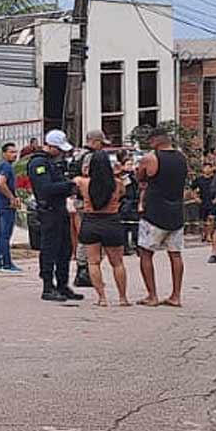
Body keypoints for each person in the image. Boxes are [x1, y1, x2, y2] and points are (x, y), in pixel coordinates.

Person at [28, 129, 84, 302]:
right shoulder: (39, 163)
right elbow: (45, 189)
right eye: (58, 149)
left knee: (64, 248)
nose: (60, 153)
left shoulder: (53, 162)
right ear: (50, 146)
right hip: (49, 211)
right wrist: (69, 185)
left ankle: (62, 284)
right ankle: (47, 286)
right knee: (49, 249)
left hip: (60, 210)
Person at [136, 128, 189, 307]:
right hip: (176, 211)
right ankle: (176, 295)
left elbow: (141, 176)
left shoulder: (151, 158)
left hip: (154, 212)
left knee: (146, 252)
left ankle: (152, 295)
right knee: (175, 254)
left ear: (156, 140)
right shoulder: (182, 158)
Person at [74, 148, 129, 307]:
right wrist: (117, 173)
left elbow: (74, 181)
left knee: (93, 262)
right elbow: (124, 193)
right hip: (111, 221)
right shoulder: (117, 184)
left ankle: (102, 298)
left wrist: (84, 173)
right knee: (117, 263)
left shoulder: (83, 183)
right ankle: (122, 297)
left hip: (91, 221)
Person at [74, 130, 111, 287]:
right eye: (101, 143)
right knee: (90, 237)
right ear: (95, 141)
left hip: (81, 199)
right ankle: (85, 271)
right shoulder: (90, 156)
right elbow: (89, 175)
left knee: (86, 234)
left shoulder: (78, 154)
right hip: (89, 200)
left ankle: (84, 269)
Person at [0, 142, 23, 273]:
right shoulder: (6, 166)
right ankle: (6, 263)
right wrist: (12, 198)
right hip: (5, 205)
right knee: (5, 235)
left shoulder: (4, 166)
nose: (14, 155)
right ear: (4, 154)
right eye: (11, 152)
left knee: (0, 234)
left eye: (15, 152)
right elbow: (1, 183)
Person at [116, 151, 141, 256]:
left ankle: (137, 245)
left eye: (132, 164)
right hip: (126, 203)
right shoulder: (123, 177)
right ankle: (125, 247)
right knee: (124, 227)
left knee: (135, 227)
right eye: (128, 164)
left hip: (134, 203)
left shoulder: (134, 176)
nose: (131, 166)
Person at [193, 163, 216, 244]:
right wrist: (196, 197)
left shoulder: (215, 179)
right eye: (205, 168)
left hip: (212, 201)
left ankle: (209, 235)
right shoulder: (199, 179)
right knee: (203, 220)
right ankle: (203, 234)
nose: (207, 169)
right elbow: (193, 188)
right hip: (203, 201)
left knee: (211, 218)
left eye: (209, 168)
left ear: (211, 169)